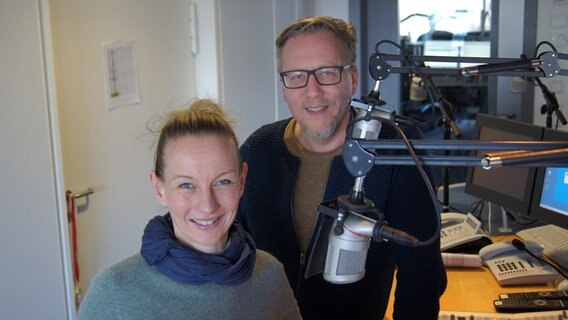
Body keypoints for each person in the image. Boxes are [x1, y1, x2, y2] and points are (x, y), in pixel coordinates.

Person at [237, 16, 447, 319]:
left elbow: (421, 276)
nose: (312, 91)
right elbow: (226, 252)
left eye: (327, 72)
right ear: (284, 86)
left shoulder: (396, 149)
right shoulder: (258, 150)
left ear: (353, 78)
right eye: (296, 76)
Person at [78, 99, 301, 320]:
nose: (207, 205)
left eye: (223, 181)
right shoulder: (115, 292)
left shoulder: (268, 275)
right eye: (186, 185)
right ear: (159, 189)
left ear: (242, 181)